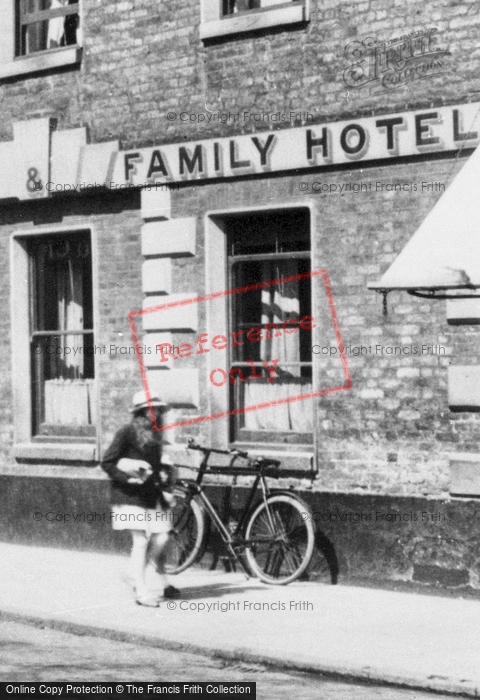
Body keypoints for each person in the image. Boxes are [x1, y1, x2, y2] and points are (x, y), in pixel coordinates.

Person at [101, 390, 180, 607]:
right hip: (128, 494)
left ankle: (134, 574)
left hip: (150, 492)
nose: (157, 413)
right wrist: (127, 478)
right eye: (152, 409)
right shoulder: (126, 432)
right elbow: (107, 462)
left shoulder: (156, 435)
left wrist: (165, 477)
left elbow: (155, 467)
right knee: (141, 540)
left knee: (162, 537)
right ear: (142, 412)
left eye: (159, 410)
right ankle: (142, 590)